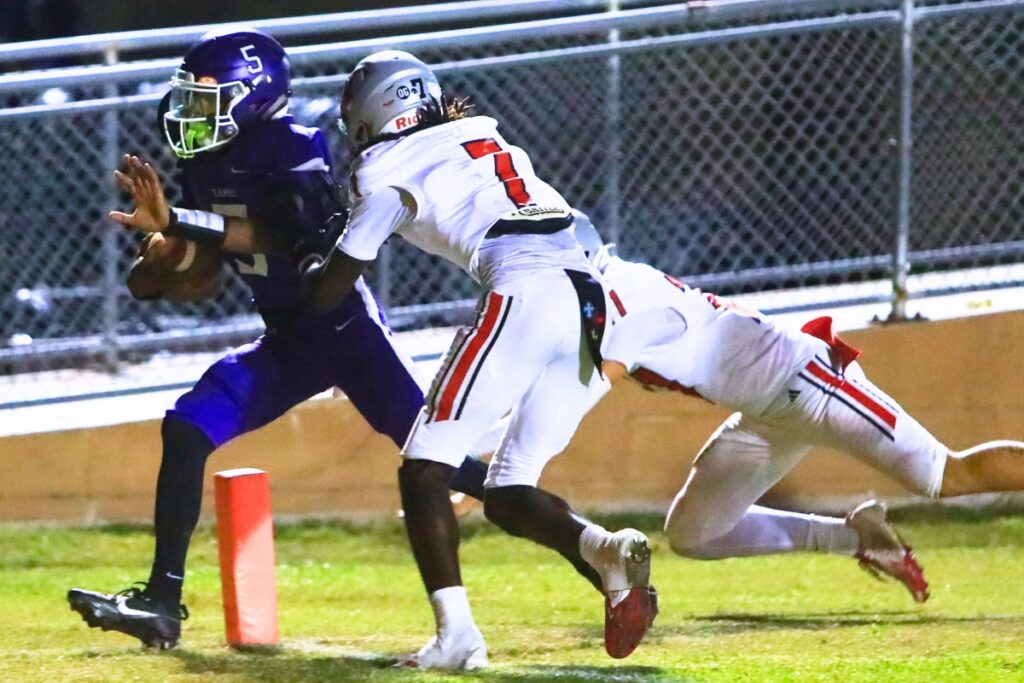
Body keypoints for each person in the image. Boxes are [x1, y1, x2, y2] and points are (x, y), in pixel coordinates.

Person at [66, 29, 489, 650]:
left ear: (253, 97)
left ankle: (584, 538)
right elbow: (198, 276)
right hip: (288, 341)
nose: (191, 112)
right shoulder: (205, 161)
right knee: (187, 428)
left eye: (209, 97)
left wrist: (182, 224)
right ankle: (160, 601)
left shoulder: (294, 148)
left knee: (439, 460)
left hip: (346, 333)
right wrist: (164, 258)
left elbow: (278, 236)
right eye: (189, 97)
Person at [303, 51, 658, 669]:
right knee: (507, 491)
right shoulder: (481, 134)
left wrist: (307, 273)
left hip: (523, 284)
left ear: (369, 110)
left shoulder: (387, 165)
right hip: (591, 295)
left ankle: (457, 638)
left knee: (424, 470)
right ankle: (607, 552)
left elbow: (331, 288)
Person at [595, 236, 1024, 599]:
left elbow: (595, 381)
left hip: (812, 384)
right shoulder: (614, 288)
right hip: (768, 409)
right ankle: (858, 537)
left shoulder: (616, 297)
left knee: (945, 475)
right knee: (695, 534)